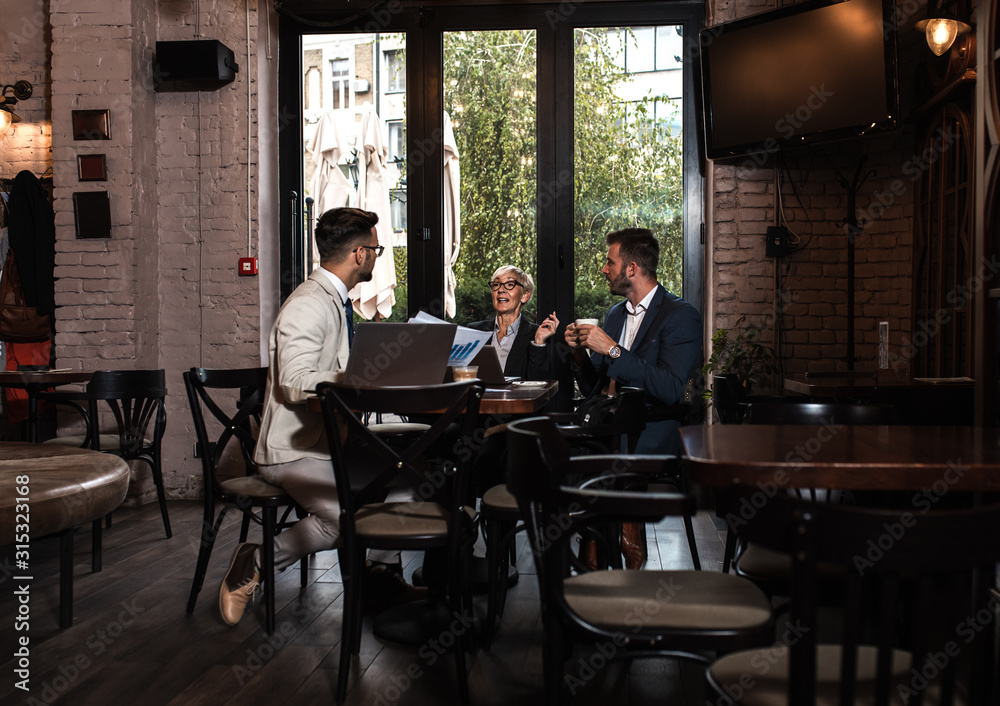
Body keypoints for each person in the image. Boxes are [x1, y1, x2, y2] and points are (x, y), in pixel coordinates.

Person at [219, 207, 423, 627]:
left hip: (332, 446)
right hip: (292, 453)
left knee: (410, 480)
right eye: (376, 249)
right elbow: (294, 380)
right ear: (360, 255)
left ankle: (379, 577)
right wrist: (360, 376)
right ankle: (254, 561)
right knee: (341, 521)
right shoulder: (309, 304)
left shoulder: (336, 302)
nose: (376, 257)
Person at [565, 227, 702, 569]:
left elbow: (670, 388)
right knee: (561, 446)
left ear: (631, 268)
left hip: (649, 427)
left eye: (609, 262)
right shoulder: (615, 314)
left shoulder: (680, 315)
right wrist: (581, 355)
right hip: (608, 423)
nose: (603, 269)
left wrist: (611, 348)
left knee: (591, 456)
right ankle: (611, 535)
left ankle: (596, 547)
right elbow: (597, 387)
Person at [466, 265, 559, 380]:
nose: (501, 290)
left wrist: (538, 342)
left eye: (510, 285)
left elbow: (539, 384)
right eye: (496, 284)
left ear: (524, 296)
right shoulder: (474, 331)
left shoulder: (537, 335)